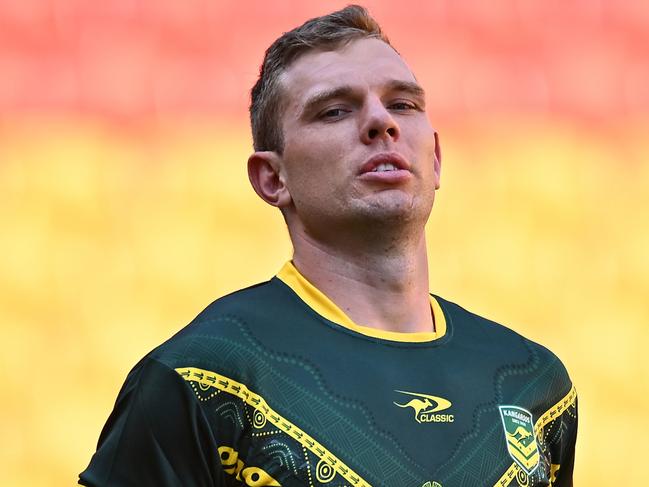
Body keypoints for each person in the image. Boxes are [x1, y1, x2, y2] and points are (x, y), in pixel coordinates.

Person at [79, 5, 577, 487]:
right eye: (335, 110)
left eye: (402, 104)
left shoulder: (535, 385)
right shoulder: (201, 377)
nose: (382, 123)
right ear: (272, 177)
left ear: (437, 158)